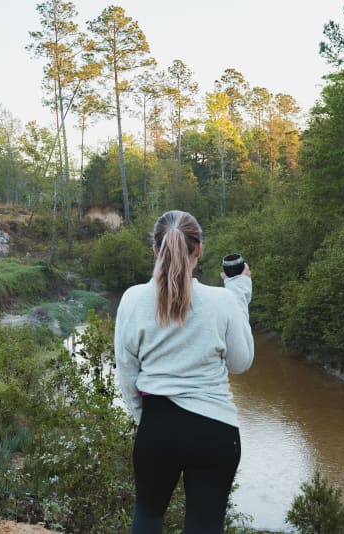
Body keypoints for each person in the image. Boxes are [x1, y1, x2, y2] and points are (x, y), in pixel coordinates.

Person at [114, 210, 254, 534]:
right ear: (199, 249)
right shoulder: (223, 301)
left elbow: (127, 373)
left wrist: (147, 419)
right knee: (205, 525)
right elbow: (241, 363)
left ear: (154, 249)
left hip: (158, 426)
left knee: (147, 516)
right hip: (215, 430)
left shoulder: (132, 300)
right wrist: (240, 294)